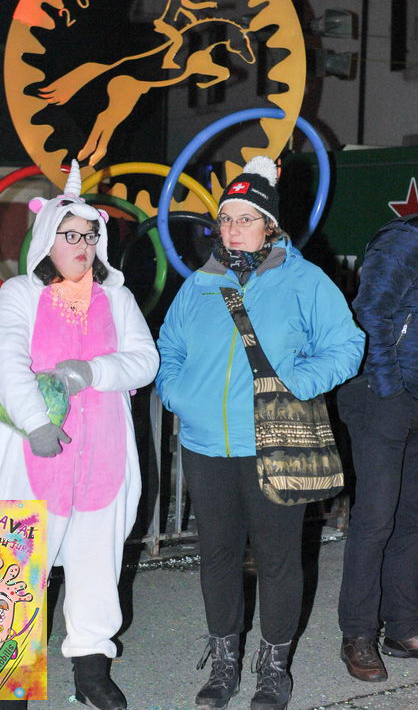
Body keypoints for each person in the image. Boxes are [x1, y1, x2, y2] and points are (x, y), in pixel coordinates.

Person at [155, 156, 364, 710]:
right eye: (225, 219)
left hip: (273, 441)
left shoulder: (304, 280)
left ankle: (274, 668)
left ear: (269, 225)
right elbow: (169, 347)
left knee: (278, 559)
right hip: (205, 445)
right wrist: (177, 394)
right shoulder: (201, 283)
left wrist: (299, 382)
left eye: (245, 219)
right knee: (218, 555)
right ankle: (225, 663)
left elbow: (348, 346)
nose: (232, 229)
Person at [0, 161, 159, 710]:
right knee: (19, 564)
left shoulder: (118, 297)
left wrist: (93, 371)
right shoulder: (19, 293)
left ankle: (90, 669)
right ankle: (8, 679)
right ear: (47, 239)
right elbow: (6, 360)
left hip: (103, 454)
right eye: (70, 235)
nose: (82, 245)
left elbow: (144, 360)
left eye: (89, 236)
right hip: (34, 452)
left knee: (97, 563)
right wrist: (36, 422)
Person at [338, 213, 418, 681]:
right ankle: (358, 633)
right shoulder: (406, 239)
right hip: (381, 395)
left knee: (410, 518)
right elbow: (369, 310)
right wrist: (390, 388)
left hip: (411, 396)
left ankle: (402, 626)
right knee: (375, 520)